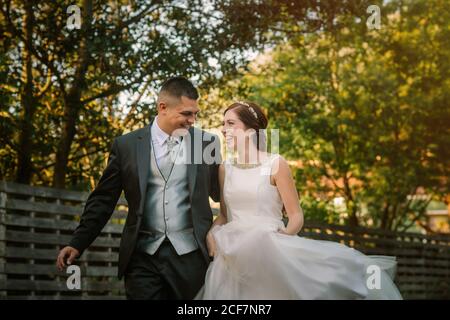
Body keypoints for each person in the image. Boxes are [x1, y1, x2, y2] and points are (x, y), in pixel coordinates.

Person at [196, 101, 402, 300]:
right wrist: (211, 234)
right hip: (232, 259)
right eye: (223, 124)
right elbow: (224, 215)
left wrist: (281, 239)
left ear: (251, 129)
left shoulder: (276, 164)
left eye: (231, 123)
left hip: (270, 254)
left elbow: (296, 216)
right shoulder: (225, 168)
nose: (223, 129)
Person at [56, 77, 221, 299]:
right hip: (142, 257)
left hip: (191, 257)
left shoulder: (205, 143)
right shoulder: (126, 146)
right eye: (186, 114)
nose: (192, 120)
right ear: (162, 107)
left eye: (195, 114)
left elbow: (222, 194)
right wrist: (78, 242)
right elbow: (103, 199)